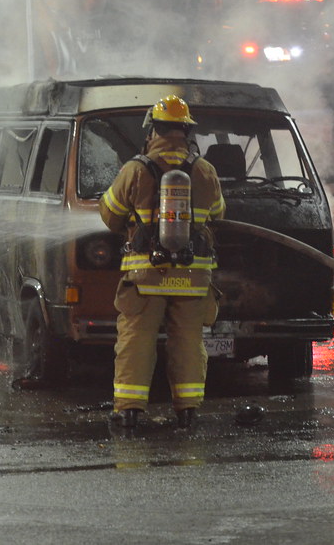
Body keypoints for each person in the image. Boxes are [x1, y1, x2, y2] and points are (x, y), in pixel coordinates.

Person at [99, 95, 225, 429]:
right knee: (188, 343)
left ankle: (129, 410)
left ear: (153, 129)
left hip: (146, 277)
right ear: (186, 131)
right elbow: (218, 214)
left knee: (136, 342)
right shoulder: (205, 171)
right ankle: (188, 410)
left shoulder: (135, 169)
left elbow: (110, 216)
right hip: (193, 278)